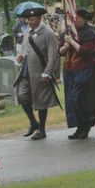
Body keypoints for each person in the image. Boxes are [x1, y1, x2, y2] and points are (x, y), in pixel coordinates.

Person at [14, 7, 59, 140]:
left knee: (41, 100)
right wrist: (21, 55)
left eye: (32, 19)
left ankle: (42, 129)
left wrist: (48, 72)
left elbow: (53, 55)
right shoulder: (28, 31)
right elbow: (25, 48)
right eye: (28, 19)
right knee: (22, 95)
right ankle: (34, 123)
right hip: (26, 70)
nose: (29, 22)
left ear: (39, 19)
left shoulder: (48, 33)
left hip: (41, 72)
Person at [60, 8, 95, 140]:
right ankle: (80, 126)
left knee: (77, 98)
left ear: (84, 19)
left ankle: (87, 123)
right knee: (71, 101)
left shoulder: (90, 33)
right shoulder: (69, 32)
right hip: (69, 69)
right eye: (73, 19)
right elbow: (60, 51)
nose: (75, 21)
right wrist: (66, 45)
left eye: (77, 19)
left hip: (83, 69)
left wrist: (72, 42)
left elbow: (86, 52)